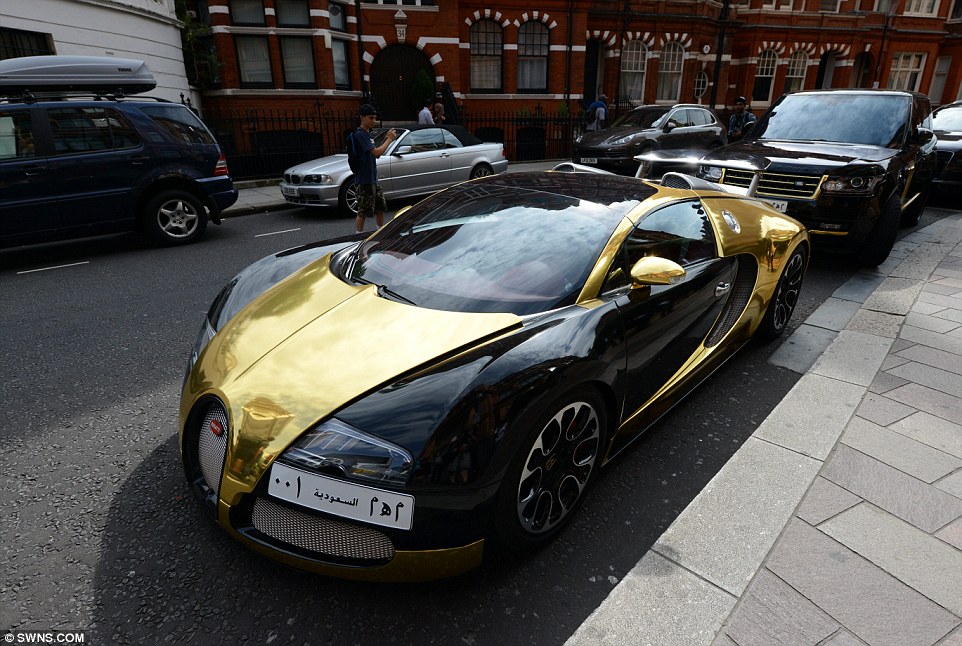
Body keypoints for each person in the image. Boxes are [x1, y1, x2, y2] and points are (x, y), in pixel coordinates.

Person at [352, 104, 396, 233]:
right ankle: (358, 237)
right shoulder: (360, 134)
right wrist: (389, 139)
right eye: (371, 118)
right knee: (363, 211)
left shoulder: (368, 134)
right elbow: (377, 153)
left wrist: (386, 139)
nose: (374, 121)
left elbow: (376, 152)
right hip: (364, 179)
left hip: (372, 178)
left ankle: (379, 232)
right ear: (362, 117)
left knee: (380, 207)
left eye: (375, 118)